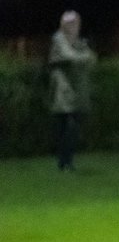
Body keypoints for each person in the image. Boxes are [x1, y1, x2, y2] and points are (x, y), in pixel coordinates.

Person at [47, 10, 98, 171]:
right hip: (63, 92)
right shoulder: (59, 39)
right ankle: (65, 162)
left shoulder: (79, 41)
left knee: (71, 127)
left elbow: (92, 58)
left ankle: (66, 162)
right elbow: (71, 56)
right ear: (63, 24)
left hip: (76, 93)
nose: (73, 26)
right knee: (67, 127)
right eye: (69, 23)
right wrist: (85, 57)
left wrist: (85, 56)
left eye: (75, 23)